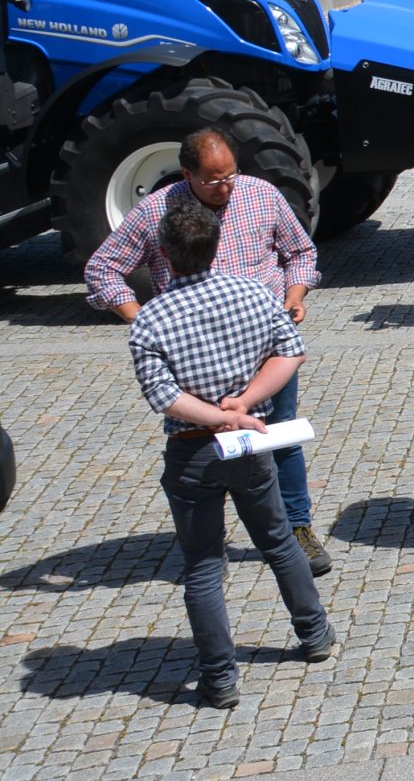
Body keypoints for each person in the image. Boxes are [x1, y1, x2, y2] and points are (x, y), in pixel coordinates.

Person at [86, 129, 332, 575]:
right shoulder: (156, 211)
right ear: (187, 174)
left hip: (264, 350)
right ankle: (207, 539)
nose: (225, 188)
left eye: (231, 176)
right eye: (214, 181)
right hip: (196, 359)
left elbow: (299, 253)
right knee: (201, 450)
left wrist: (295, 296)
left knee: (280, 438)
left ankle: (297, 529)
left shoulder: (261, 195)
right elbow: (103, 269)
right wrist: (139, 316)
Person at [129, 199, 334, 707]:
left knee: (201, 566)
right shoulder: (250, 293)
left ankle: (220, 679)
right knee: (278, 541)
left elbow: (163, 396)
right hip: (247, 445)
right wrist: (242, 404)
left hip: (192, 452)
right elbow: (292, 351)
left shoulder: (151, 320)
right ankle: (315, 635)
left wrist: (219, 416)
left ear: (165, 254)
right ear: (216, 245)